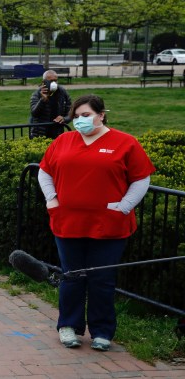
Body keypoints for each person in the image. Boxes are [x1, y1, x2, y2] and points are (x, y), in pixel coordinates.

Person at [38, 94, 154, 352]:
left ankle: (102, 331)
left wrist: (124, 206)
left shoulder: (125, 143)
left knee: (102, 278)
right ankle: (69, 326)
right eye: (76, 116)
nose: (80, 120)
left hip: (109, 224)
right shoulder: (63, 141)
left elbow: (141, 178)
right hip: (68, 222)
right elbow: (44, 171)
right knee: (72, 276)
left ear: (101, 114)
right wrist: (52, 199)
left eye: (86, 115)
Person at [29, 69, 72, 139]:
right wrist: (42, 100)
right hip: (40, 133)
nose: (54, 83)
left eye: (55, 80)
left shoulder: (63, 93)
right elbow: (34, 113)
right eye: (51, 81)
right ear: (44, 82)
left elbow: (70, 112)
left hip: (57, 133)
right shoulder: (37, 94)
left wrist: (64, 119)